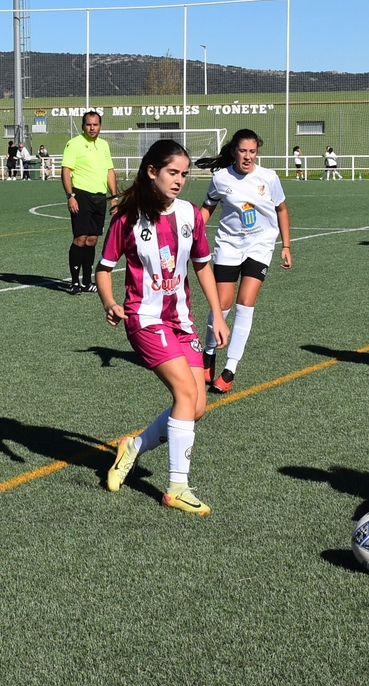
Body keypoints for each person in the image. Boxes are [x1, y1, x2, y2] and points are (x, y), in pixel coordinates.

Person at [97, 139, 230, 515]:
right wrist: (109, 302)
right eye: (173, 173)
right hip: (144, 318)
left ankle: (134, 447)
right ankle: (176, 487)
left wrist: (218, 314)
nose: (180, 181)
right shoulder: (127, 218)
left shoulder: (190, 215)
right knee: (186, 394)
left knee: (197, 405)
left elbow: (203, 264)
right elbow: (104, 270)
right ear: (152, 171)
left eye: (185, 174)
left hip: (181, 320)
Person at [194, 129, 292, 394]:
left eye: (252, 151)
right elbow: (207, 208)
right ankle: (209, 354)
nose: (247, 157)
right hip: (228, 246)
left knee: (245, 303)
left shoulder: (269, 178)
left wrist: (286, 245)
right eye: (242, 151)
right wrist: (192, 233)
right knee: (222, 305)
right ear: (234, 151)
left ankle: (230, 369)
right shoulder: (220, 178)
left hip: (260, 246)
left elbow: (281, 209)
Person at [62, 111, 119, 294]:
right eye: (88, 124)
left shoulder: (104, 145)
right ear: (83, 126)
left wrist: (114, 197)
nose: (92, 128)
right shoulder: (74, 144)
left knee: (92, 239)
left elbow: (109, 171)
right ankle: (74, 282)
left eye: (95, 124)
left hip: (100, 197)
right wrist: (70, 196)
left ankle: (87, 282)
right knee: (80, 239)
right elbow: (65, 170)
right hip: (81, 195)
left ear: (100, 126)